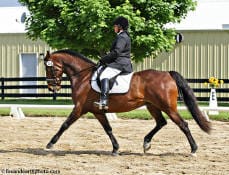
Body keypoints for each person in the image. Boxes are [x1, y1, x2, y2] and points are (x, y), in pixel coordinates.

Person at [94, 16, 133, 110]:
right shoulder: (122, 36)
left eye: (115, 26)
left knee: (104, 76)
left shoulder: (122, 37)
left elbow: (116, 52)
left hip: (120, 63)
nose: (114, 28)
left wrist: (103, 59)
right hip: (120, 62)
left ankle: (104, 101)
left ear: (120, 26)